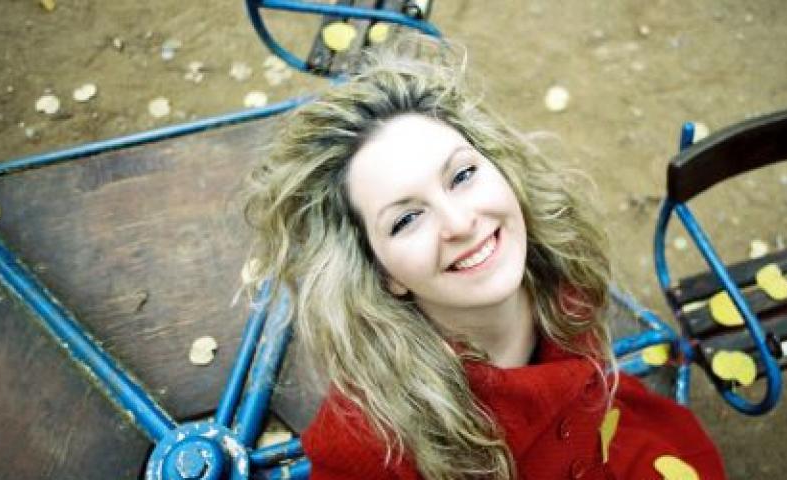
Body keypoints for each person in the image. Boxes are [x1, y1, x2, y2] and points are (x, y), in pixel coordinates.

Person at [242, 36, 726, 480]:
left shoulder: (556, 266)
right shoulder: (369, 444)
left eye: (462, 175)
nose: (460, 222)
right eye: (406, 219)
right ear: (383, 274)